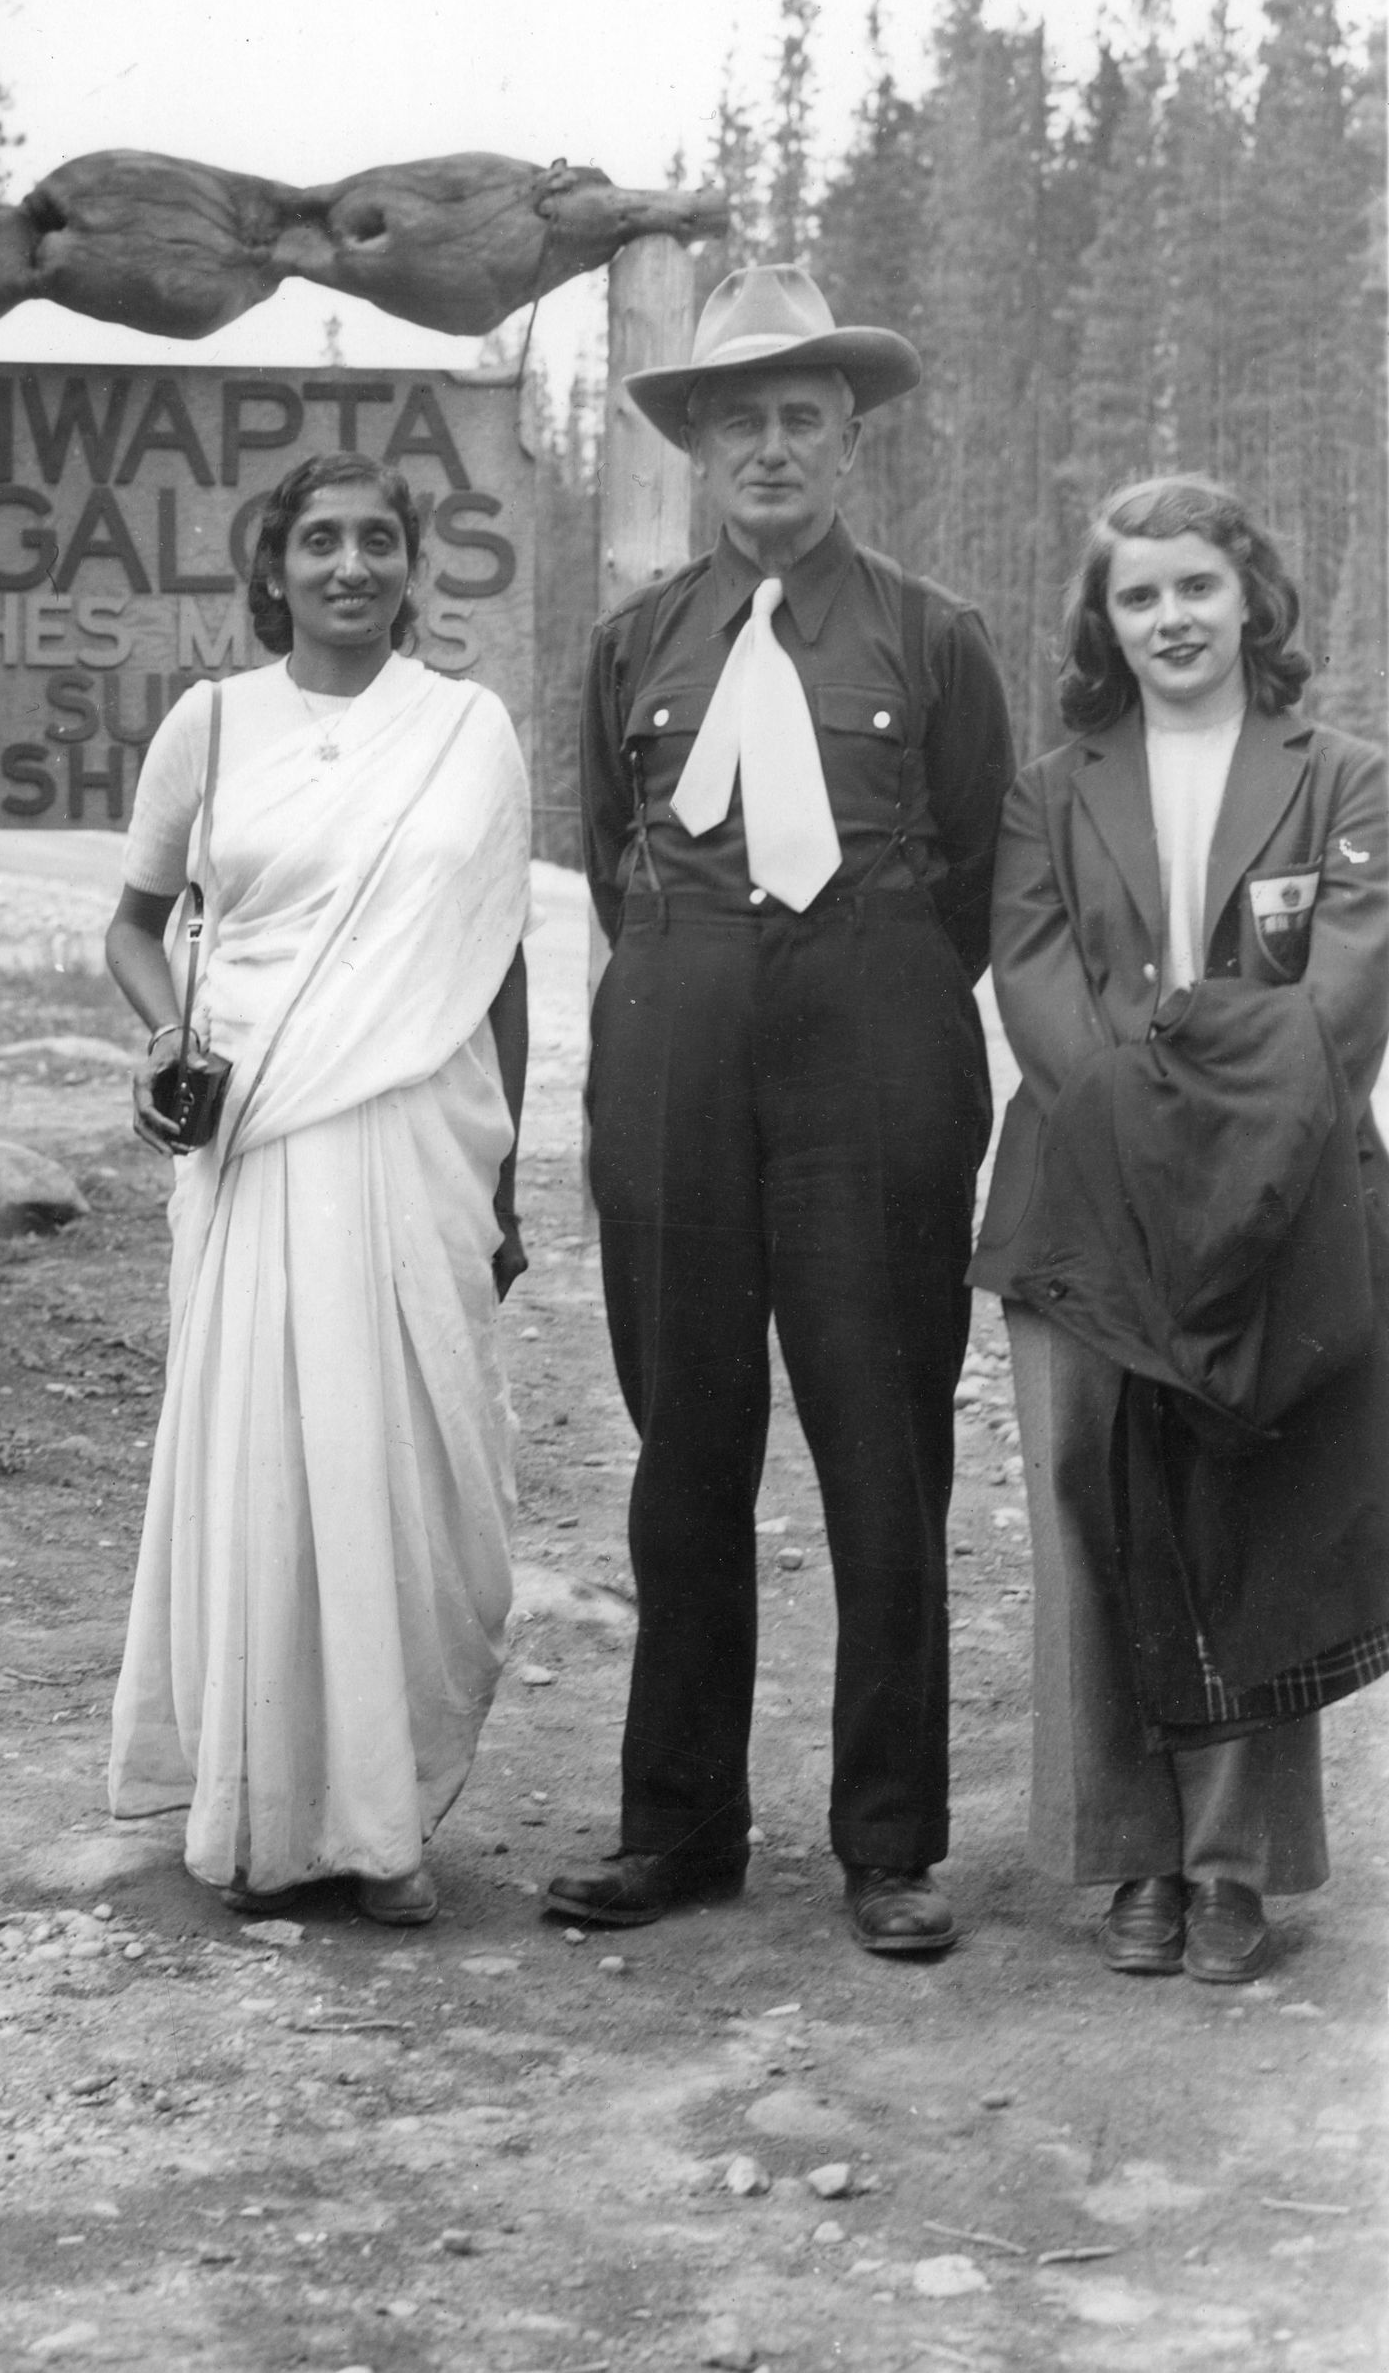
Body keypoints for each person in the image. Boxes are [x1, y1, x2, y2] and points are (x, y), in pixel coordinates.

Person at [547, 266, 1014, 1950]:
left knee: (883, 1444)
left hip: (877, 1050)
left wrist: (864, 992)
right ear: (695, 447)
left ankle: (888, 1842)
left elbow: (970, 869)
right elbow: (611, 861)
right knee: (686, 1440)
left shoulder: (933, 639)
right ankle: (678, 1826)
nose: (769, 447)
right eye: (737, 418)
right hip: (677, 1037)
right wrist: (702, 989)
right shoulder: (633, 646)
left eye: (801, 418)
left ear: (848, 442)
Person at [102, 450, 531, 1928]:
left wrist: (511, 1170)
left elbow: (496, 964)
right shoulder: (213, 725)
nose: (349, 566)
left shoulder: (468, 732)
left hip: (417, 1142)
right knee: (268, 1454)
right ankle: (258, 1819)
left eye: (378, 542)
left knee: (406, 1468)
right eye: (318, 542)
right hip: (259, 1141)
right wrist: (169, 1034)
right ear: (272, 565)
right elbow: (134, 925)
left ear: (416, 567)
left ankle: (384, 1819)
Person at [972, 475, 1389, 1984]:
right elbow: (1035, 987)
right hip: (1085, 1205)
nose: (1171, 620)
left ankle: (1237, 1870)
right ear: (1105, 622)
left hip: (1284, 1199)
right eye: (1139, 597)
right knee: (1087, 1505)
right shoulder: (1049, 789)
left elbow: (1343, 995)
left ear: (1251, 599)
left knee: (1249, 1517)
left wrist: (1224, 1158)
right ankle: (1130, 1857)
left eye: (1196, 589)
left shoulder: (1345, 778)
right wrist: (1147, 1145)